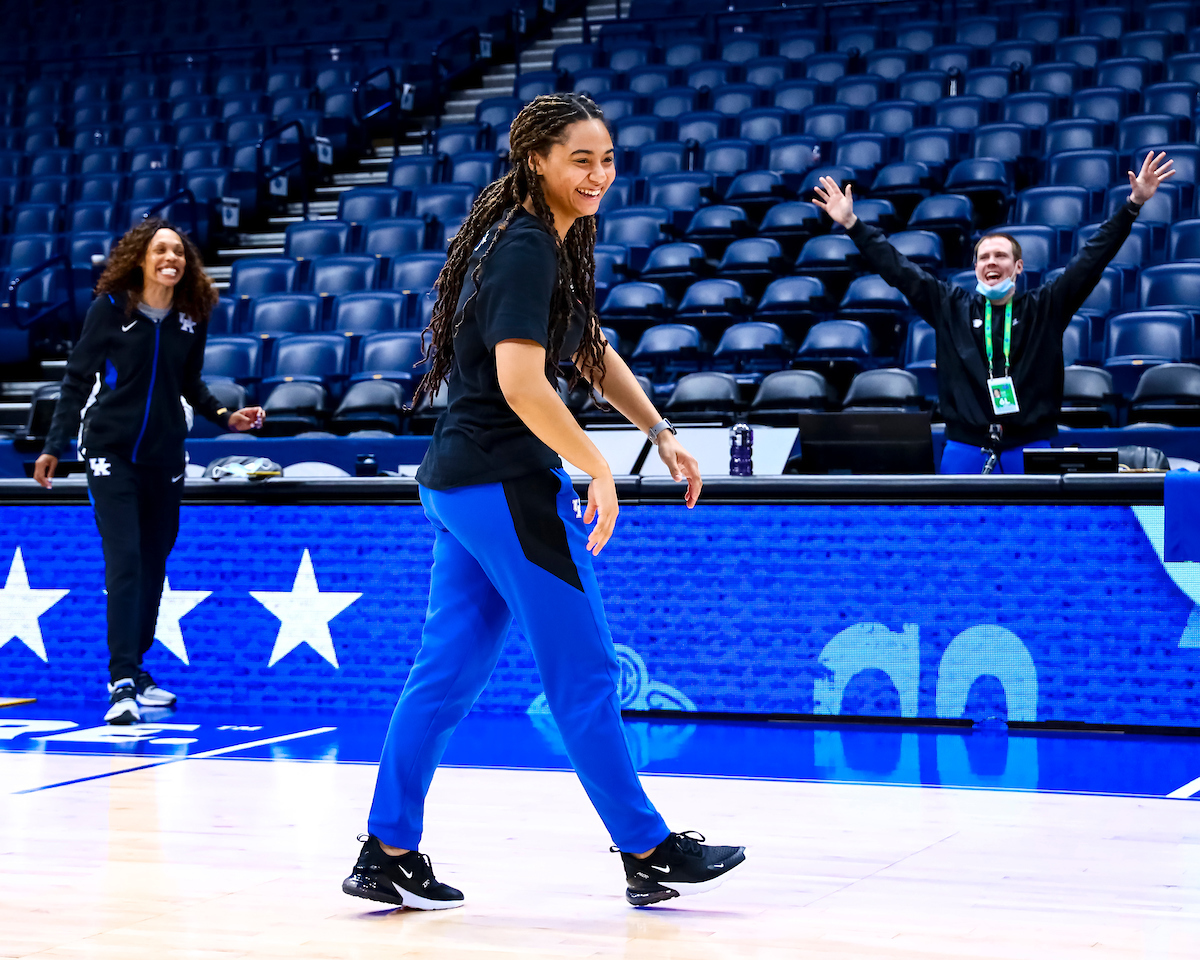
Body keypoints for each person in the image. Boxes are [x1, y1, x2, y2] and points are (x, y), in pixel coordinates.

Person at [341, 93, 746, 910]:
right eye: (580, 160)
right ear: (537, 161)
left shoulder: (538, 241)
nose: (598, 174)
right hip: (507, 487)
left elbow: (588, 349)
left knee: (445, 675)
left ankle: (387, 852)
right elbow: (523, 383)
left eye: (607, 159)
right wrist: (598, 466)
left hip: (460, 484)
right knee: (585, 672)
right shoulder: (527, 246)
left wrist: (658, 430)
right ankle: (647, 849)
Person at [813, 151, 1176, 474]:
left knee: (1032, 528)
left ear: (1018, 267)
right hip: (964, 449)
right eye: (983, 257)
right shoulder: (950, 307)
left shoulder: (1045, 307)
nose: (991, 262)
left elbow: (1091, 259)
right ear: (975, 269)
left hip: (1029, 448)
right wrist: (853, 225)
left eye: (1001, 256)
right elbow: (898, 269)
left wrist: (1132, 205)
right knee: (962, 529)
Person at [33, 219, 264, 724]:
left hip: (165, 457)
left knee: (154, 565)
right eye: (160, 249)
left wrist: (226, 417)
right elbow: (76, 381)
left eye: (178, 251)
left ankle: (136, 669)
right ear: (140, 258)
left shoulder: (190, 316)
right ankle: (120, 681)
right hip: (109, 451)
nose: (170, 258)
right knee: (126, 562)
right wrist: (54, 446)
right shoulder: (111, 309)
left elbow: (190, 383)